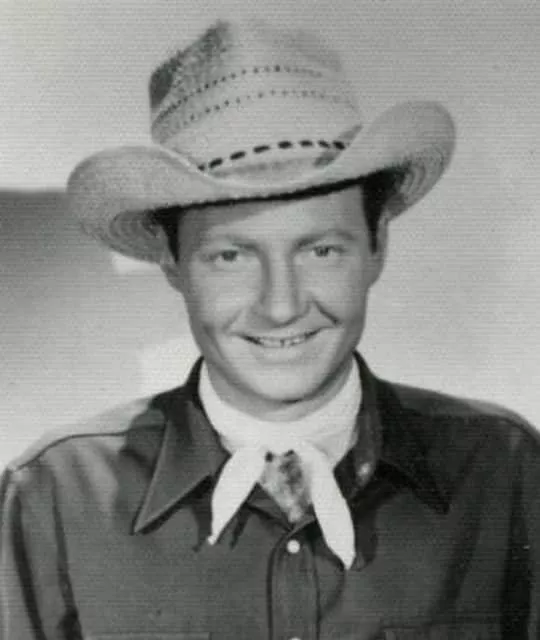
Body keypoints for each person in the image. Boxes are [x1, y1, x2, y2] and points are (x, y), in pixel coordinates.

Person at [1, 17, 538, 640]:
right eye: (231, 256)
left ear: (377, 246)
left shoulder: (504, 471)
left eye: (321, 250)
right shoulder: (54, 498)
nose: (281, 306)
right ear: (172, 262)